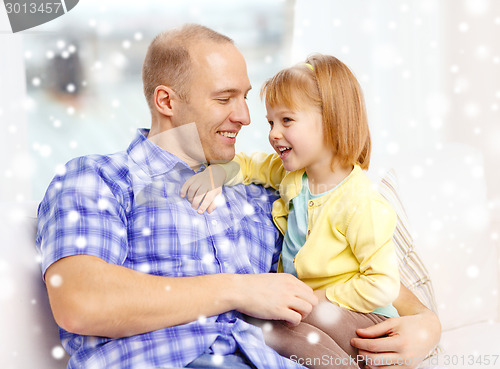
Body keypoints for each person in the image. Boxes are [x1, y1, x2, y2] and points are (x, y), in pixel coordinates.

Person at [36, 24, 441, 369]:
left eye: (245, 97)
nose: (246, 117)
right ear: (166, 102)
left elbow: (352, 266)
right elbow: (81, 301)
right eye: (224, 98)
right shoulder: (98, 178)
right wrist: (239, 289)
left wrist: (425, 323)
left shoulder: (266, 195)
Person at [181, 54, 402, 368]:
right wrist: (217, 174)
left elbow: (381, 285)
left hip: (368, 324)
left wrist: (314, 298)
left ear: (331, 122)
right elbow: (247, 164)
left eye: (286, 121)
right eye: (271, 122)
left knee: (281, 317)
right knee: (272, 324)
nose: (273, 133)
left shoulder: (361, 202)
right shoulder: (293, 176)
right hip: (319, 318)